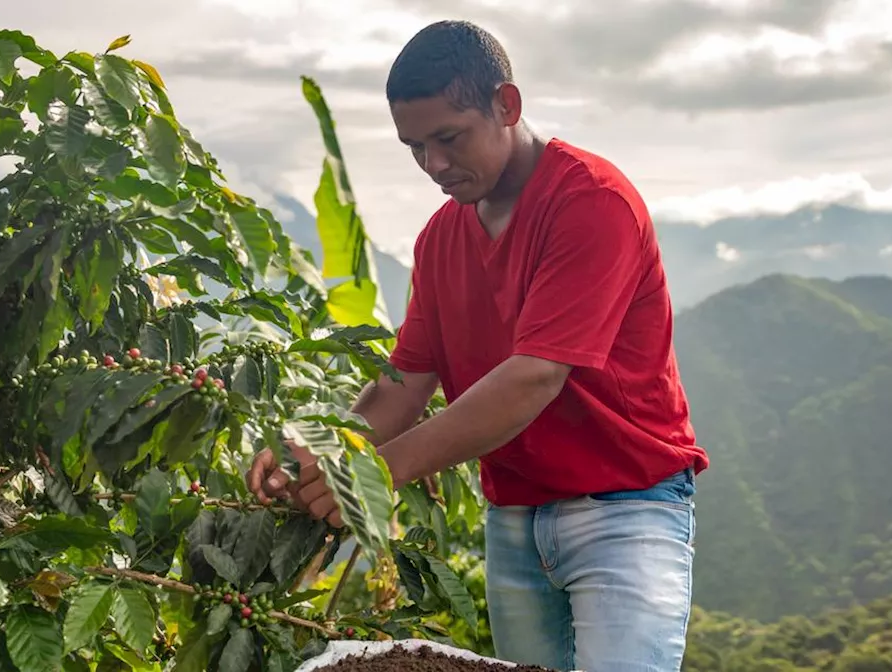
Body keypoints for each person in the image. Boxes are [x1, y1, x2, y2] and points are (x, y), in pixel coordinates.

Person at [247, 19, 710, 672]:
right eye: (415, 147)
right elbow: (403, 383)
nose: (434, 165)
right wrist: (321, 450)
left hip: (624, 512)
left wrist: (372, 475)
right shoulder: (440, 240)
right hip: (514, 519)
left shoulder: (592, 203)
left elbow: (532, 378)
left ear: (507, 105)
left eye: (449, 137)